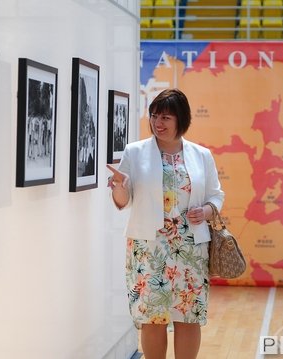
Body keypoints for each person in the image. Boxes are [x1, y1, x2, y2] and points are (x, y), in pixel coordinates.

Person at [107, 88, 224, 359]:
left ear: (181, 120)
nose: (158, 123)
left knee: (189, 315)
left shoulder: (201, 155)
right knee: (152, 316)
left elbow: (216, 195)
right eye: (154, 116)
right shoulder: (134, 153)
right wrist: (119, 187)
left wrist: (206, 211)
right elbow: (123, 200)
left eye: (166, 118)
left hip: (191, 248)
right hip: (148, 248)